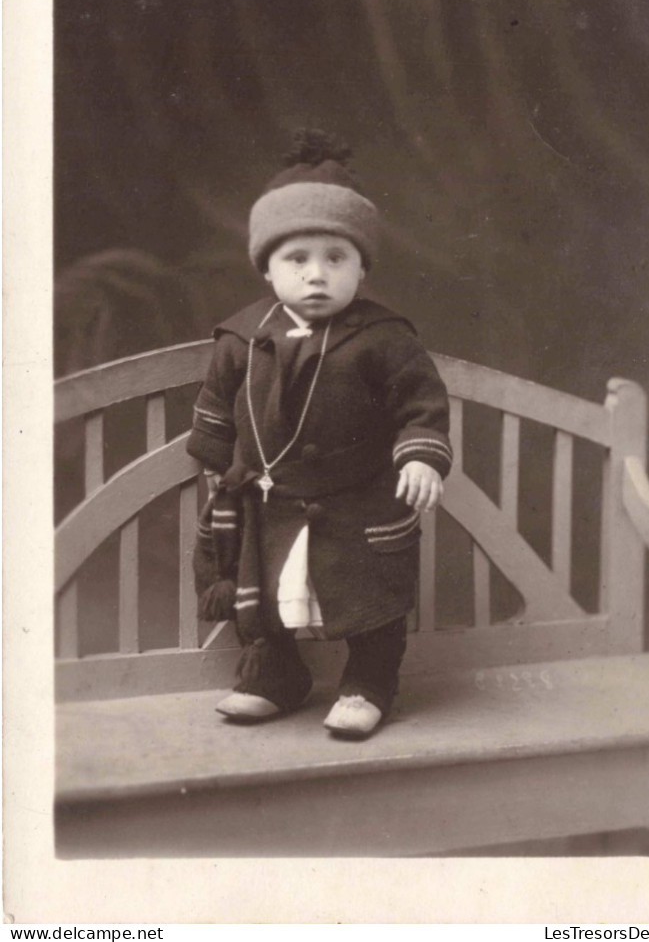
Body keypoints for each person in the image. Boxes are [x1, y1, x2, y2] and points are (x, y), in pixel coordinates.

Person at [186, 130, 452, 739]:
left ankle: (369, 681)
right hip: (270, 503)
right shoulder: (240, 339)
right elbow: (216, 410)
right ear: (268, 268)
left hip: (359, 503)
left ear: (362, 267)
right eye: (297, 259)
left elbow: (422, 405)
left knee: (368, 600)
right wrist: (216, 469)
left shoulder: (385, 338)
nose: (316, 275)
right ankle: (275, 674)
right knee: (269, 597)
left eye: (336, 258)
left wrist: (421, 459)